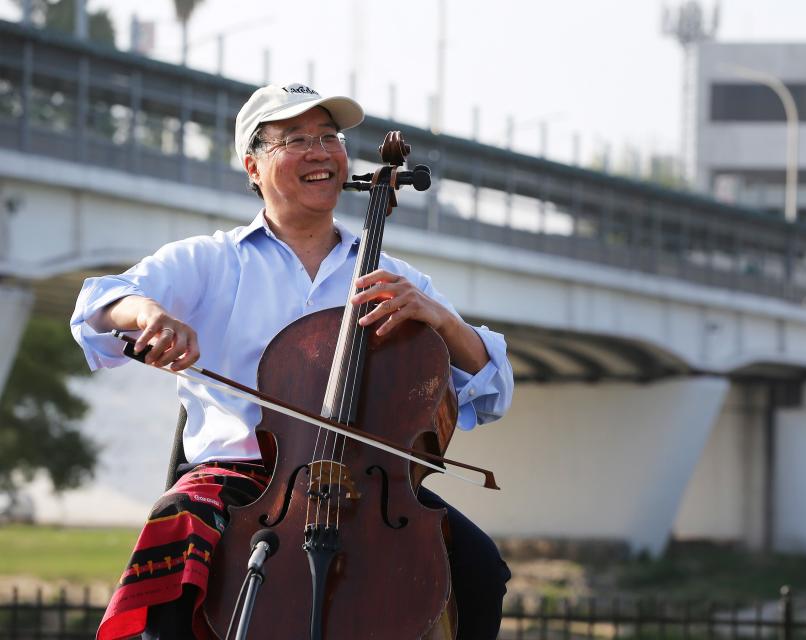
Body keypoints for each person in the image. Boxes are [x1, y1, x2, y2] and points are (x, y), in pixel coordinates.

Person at [71, 82, 514, 640]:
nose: (320, 151)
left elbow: (492, 386)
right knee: (175, 541)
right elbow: (99, 304)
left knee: (480, 568)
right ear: (253, 166)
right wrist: (148, 315)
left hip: (368, 487)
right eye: (296, 139)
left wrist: (442, 321)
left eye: (330, 137)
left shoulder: (395, 278)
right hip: (242, 479)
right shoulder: (210, 261)